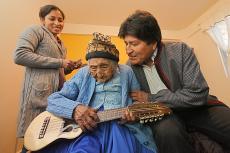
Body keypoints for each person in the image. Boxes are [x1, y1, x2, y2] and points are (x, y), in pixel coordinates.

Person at [118, 10, 230, 153]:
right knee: (167, 133)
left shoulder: (180, 51)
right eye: (126, 44)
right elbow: (131, 103)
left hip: (198, 109)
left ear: (153, 43)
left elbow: (197, 94)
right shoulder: (128, 69)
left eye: (133, 44)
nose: (128, 50)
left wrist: (151, 98)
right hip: (163, 116)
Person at [35, 32, 157, 153]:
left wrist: (133, 113)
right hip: (87, 128)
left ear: (115, 65)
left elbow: (137, 101)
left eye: (104, 66)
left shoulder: (127, 72)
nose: (98, 73)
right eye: (93, 68)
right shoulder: (83, 73)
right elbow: (53, 100)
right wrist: (76, 108)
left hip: (119, 126)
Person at [13, 4, 83, 153]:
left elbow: (56, 70)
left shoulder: (61, 44)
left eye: (60, 20)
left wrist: (69, 67)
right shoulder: (35, 31)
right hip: (38, 95)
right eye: (52, 19)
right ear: (42, 20)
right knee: (32, 138)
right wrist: (60, 62)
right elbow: (20, 55)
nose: (57, 23)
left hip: (56, 98)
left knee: (47, 140)